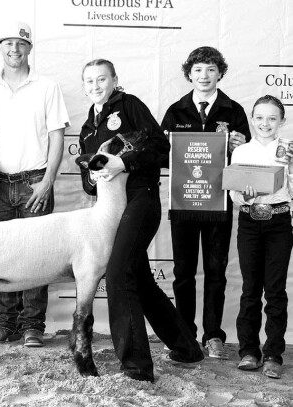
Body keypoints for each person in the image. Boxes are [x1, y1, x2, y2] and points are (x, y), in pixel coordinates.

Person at [79, 58, 204, 382]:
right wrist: (93, 177)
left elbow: (161, 148)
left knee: (119, 273)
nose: (96, 86)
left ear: (115, 79)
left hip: (141, 199)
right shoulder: (87, 128)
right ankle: (187, 348)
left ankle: (136, 367)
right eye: (89, 81)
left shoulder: (130, 105)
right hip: (111, 209)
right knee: (141, 281)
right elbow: (87, 179)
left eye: (102, 79)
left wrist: (124, 163)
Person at [0, 21, 70, 347]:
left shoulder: (47, 87)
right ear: (0, 47)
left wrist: (47, 182)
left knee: (37, 257)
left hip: (35, 181)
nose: (14, 49)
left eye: (21, 43)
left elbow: (57, 138)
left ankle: (33, 325)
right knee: (4, 256)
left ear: (30, 48)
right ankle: (7, 323)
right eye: (8, 43)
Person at [161, 46, 250, 359]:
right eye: (198, 70)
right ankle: (185, 332)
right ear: (189, 74)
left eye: (211, 69)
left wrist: (241, 146)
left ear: (220, 73)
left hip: (219, 204)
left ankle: (214, 335)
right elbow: (161, 155)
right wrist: (170, 146)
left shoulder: (233, 111)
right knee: (183, 272)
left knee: (216, 271)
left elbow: (249, 159)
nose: (204, 76)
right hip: (184, 203)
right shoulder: (176, 111)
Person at [230, 95, 292, 379]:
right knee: (250, 289)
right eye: (259, 117)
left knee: (276, 290)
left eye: (271, 118)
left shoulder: (288, 151)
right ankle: (249, 351)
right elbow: (234, 192)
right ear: (252, 119)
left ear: (282, 121)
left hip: (279, 221)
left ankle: (273, 354)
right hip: (250, 221)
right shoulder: (241, 152)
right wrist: (244, 194)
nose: (264, 123)